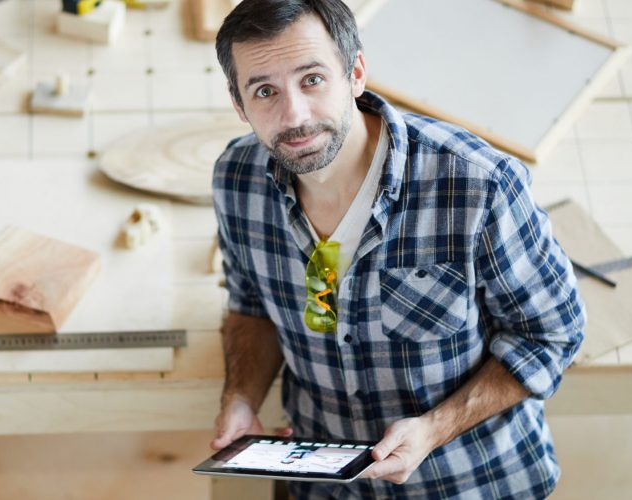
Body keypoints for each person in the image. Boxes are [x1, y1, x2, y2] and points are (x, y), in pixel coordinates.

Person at [208, 0, 587, 498]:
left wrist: (432, 429)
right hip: (324, 482)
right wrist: (241, 396)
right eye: (265, 91)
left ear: (356, 73)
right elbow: (251, 307)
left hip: (466, 481)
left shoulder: (477, 185)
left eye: (313, 79)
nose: (294, 115)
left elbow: (550, 334)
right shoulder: (237, 181)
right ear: (240, 106)